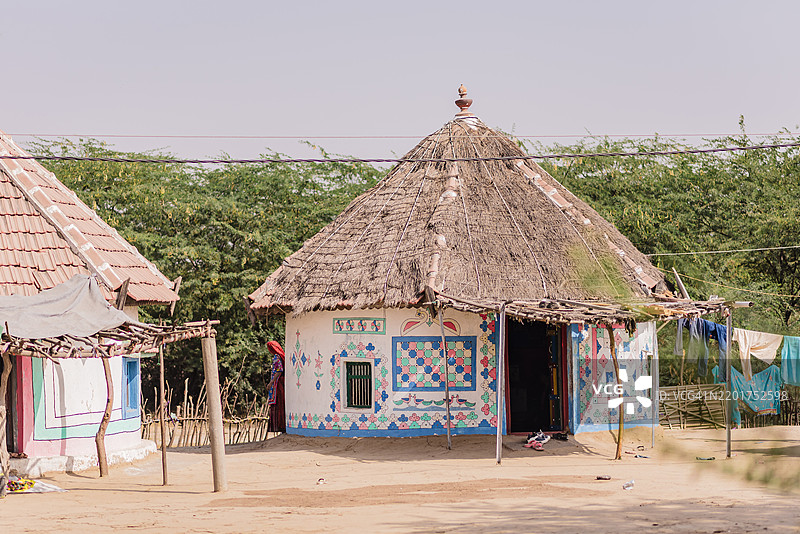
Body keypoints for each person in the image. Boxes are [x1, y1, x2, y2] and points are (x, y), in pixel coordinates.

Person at [266, 340, 286, 433]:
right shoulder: (281, 357)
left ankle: (281, 425)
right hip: (280, 382)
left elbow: (279, 370)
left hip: (278, 383)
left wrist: (271, 382)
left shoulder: (276, 357)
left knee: (279, 402)